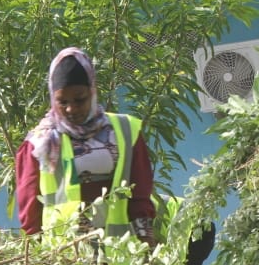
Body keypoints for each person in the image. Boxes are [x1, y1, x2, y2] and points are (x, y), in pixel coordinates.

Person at [16, 47, 156, 249]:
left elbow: (140, 194)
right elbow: (30, 212)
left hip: (121, 252)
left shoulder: (125, 130)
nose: (71, 109)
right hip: (66, 256)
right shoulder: (38, 144)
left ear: (92, 91)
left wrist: (147, 245)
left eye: (79, 99)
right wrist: (35, 257)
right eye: (62, 102)